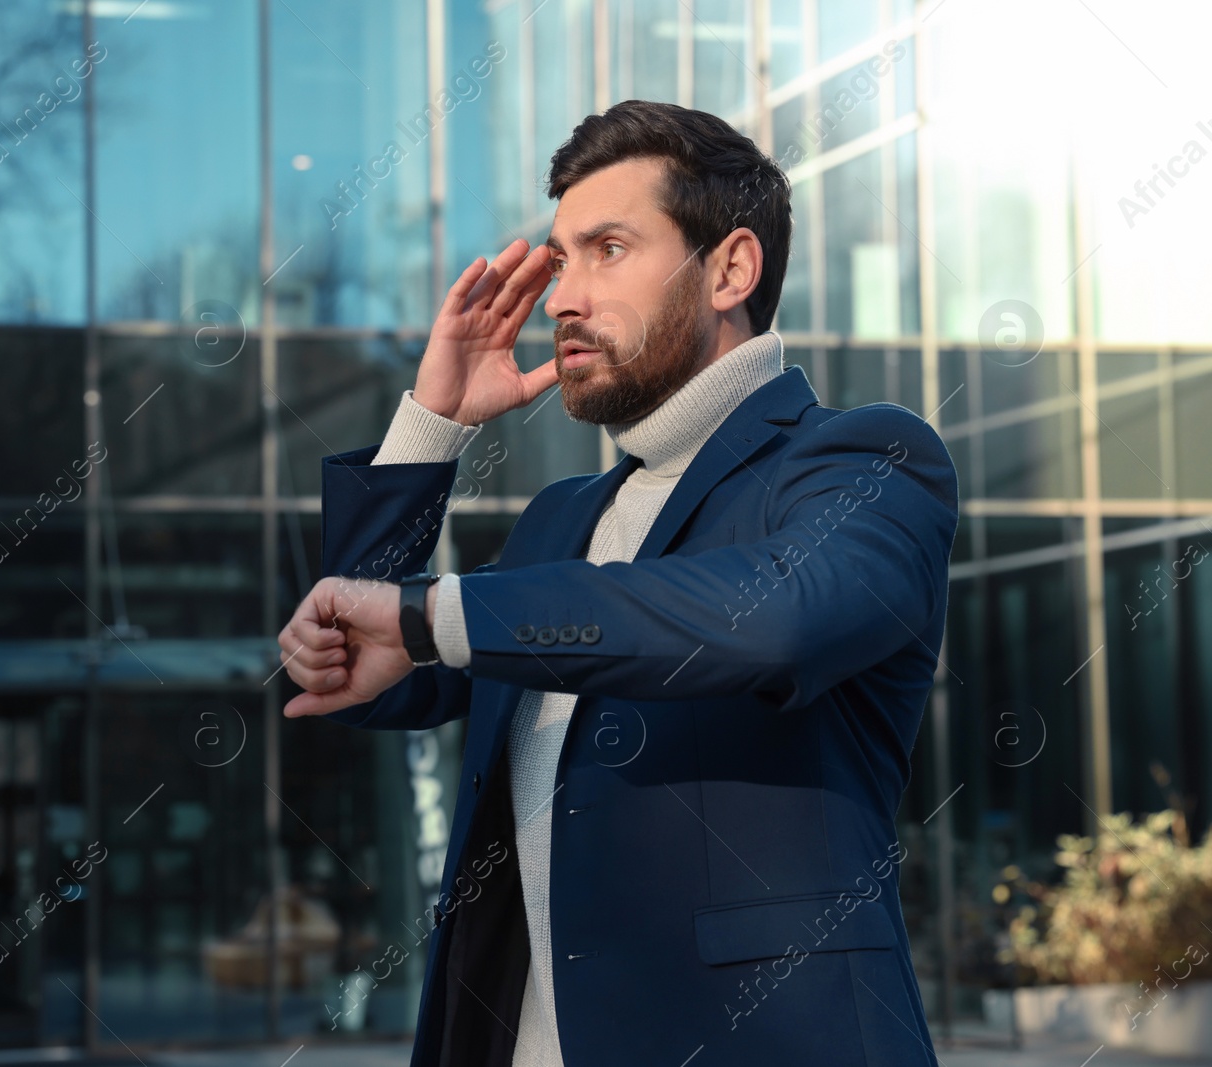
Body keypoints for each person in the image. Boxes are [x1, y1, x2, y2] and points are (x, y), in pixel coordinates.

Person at [277, 99, 957, 1067]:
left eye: (607, 249)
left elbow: (765, 617)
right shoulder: (560, 519)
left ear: (729, 269)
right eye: (559, 261)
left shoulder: (866, 460)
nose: (562, 298)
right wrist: (432, 424)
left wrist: (436, 612)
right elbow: (366, 655)